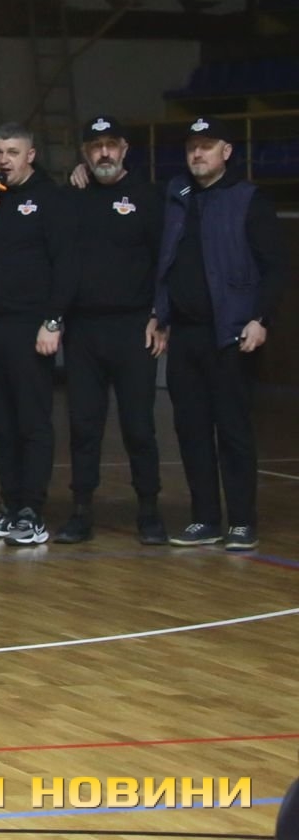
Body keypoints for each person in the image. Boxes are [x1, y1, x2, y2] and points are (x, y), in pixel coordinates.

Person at [154, 116, 284, 551]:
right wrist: (160, 313)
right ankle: (205, 518)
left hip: (231, 335)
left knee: (233, 432)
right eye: (192, 146)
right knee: (190, 431)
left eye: (207, 146)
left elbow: (275, 268)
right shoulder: (176, 194)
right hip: (185, 335)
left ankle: (242, 521)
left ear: (226, 151)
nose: (197, 153)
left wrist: (260, 318)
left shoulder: (248, 199)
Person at [0, 123, 76, 547]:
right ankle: (10, 507)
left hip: (30, 326)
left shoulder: (51, 199)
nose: (4, 160)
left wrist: (53, 320)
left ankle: (32, 510)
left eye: (12, 152)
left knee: (31, 420)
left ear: (30, 155)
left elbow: (66, 264)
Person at [60, 116, 166, 545]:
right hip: (83, 329)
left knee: (139, 426)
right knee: (83, 426)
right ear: (84, 153)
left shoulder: (148, 196)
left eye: (110, 144)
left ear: (124, 149)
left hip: (134, 327)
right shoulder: (72, 196)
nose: (103, 153)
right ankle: (81, 511)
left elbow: (164, 261)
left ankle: (150, 512)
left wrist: (160, 315)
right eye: (94, 146)